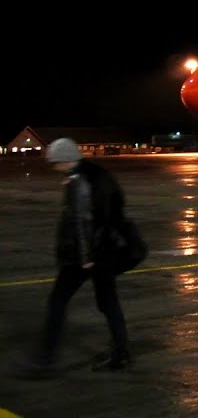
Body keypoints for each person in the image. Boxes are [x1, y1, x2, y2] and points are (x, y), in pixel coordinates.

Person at [27, 138, 132, 373]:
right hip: (105, 250)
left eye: (56, 162)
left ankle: (45, 359)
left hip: (83, 256)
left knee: (57, 301)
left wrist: (85, 258)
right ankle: (121, 353)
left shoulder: (79, 182)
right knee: (108, 302)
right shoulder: (97, 175)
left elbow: (82, 223)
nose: (54, 167)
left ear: (67, 160)